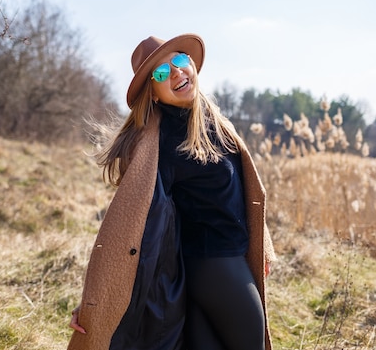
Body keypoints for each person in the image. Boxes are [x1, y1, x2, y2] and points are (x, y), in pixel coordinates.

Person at [67, 33, 277, 350]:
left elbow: (244, 189)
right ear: (153, 93)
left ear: (190, 63)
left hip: (205, 270)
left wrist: (265, 246)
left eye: (178, 60)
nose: (177, 72)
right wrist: (94, 305)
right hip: (216, 269)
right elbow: (127, 226)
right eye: (162, 74)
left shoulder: (215, 121)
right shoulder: (159, 142)